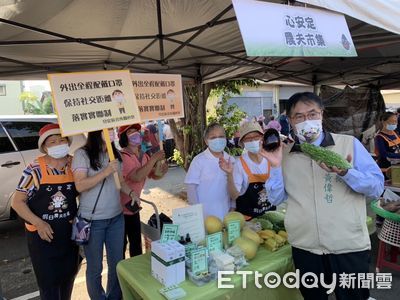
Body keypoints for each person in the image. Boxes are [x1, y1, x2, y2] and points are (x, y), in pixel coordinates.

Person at [263, 92, 384, 300]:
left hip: (347, 245)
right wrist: (275, 167)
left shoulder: (348, 144)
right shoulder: (285, 155)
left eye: (312, 114)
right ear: (290, 121)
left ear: (321, 115)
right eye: (299, 116)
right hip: (305, 247)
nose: (306, 120)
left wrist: (346, 172)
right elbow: (275, 199)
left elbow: (376, 188)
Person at [11, 123, 80, 300]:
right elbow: (17, 202)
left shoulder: (75, 165)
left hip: (68, 236)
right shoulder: (34, 169)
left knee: (68, 279)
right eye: (52, 142)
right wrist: (38, 222)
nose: (58, 144)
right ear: (44, 147)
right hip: (43, 239)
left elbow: (84, 192)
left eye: (61, 140)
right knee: (49, 286)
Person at [72, 129, 139, 300]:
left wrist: (131, 194)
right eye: (108, 130)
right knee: (95, 267)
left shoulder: (114, 153)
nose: (112, 133)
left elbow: (120, 183)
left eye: (113, 129)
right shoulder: (82, 154)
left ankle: (114, 296)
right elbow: (79, 185)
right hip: (92, 220)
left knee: (117, 264)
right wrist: (105, 172)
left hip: (116, 218)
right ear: (96, 131)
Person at [118, 123, 167, 257]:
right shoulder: (123, 156)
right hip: (120, 210)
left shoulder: (144, 156)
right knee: (121, 246)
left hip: (134, 206)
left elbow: (153, 175)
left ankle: (136, 273)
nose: (135, 134)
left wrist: (161, 169)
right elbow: (137, 176)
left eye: (136, 131)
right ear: (123, 137)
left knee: (136, 244)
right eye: (130, 132)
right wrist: (154, 159)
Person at [219, 121, 276, 219]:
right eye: (248, 139)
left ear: (262, 138)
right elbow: (234, 196)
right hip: (247, 219)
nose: (253, 141)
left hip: (269, 216)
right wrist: (229, 175)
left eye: (256, 137)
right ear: (243, 143)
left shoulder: (271, 159)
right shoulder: (240, 164)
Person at [185, 123, 235, 220]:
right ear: (206, 141)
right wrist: (196, 212)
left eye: (221, 136)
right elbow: (191, 188)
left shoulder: (230, 160)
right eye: (213, 137)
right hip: (204, 214)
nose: (218, 140)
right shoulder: (198, 161)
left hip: (226, 212)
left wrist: (233, 206)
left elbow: (234, 186)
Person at [374, 112, 400, 178]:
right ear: (384, 122)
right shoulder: (379, 137)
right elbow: (384, 154)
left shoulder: (395, 133)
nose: (394, 124)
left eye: (396, 121)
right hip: (386, 168)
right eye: (392, 121)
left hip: (397, 166)